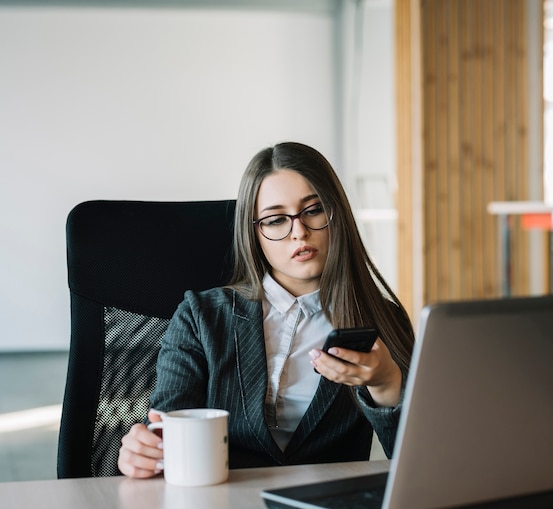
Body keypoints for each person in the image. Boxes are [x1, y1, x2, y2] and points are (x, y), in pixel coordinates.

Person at [118, 141, 414, 478]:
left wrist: (387, 383)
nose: (299, 232)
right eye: (275, 220)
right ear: (253, 232)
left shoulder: (384, 321)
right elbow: (167, 424)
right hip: (221, 508)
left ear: (337, 215)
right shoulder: (201, 316)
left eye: (314, 210)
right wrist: (144, 450)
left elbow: (418, 463)